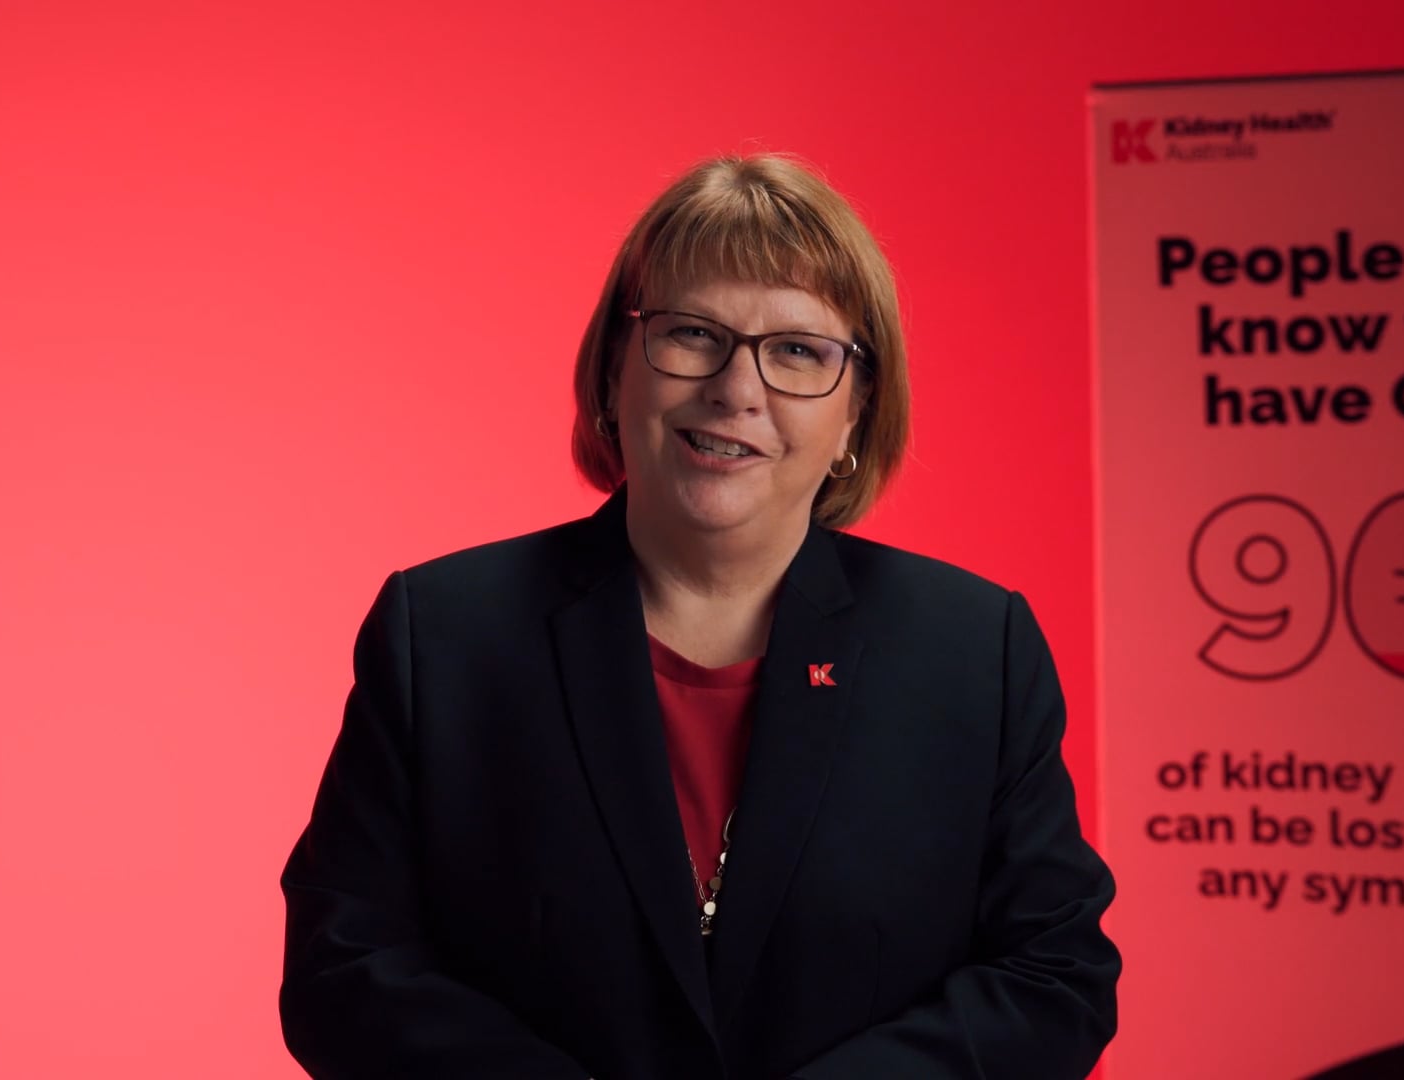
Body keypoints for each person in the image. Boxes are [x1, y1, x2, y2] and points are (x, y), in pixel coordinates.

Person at [278, 153, 1120, 1080]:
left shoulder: (974, 651)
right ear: (612, 372)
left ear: (854, 417)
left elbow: (1055, 974)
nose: (737, 389)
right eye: (692, 334)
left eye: (799, 350)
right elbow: (343, 969)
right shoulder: (441, 635)